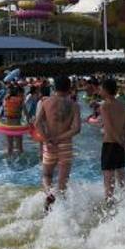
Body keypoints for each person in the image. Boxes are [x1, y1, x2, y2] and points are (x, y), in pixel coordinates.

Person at [35, 75, 81, 210]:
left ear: (54, 87)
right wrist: (60, 138)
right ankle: (62, 211)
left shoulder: (46, 102)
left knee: (47, 175)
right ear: (69, 88)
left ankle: (49, 195)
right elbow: (76, 129)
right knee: (63, 181)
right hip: (65, 145)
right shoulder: (74, 105)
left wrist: (46, 140)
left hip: (49, 145)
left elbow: (37, 123)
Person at [100, 78, 125, 203]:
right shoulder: (121, 104)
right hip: (120, 145)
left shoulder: (105, 106)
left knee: (109, 178)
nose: (100, 90)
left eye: (101, 88)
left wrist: (122, 143)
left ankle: (109, 204)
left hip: (110, 144)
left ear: (106, 90)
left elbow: (109, 128)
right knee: (122, 176)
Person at [1, 85, 28, 156]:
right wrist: (29, 123)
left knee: (9, 147)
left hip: (8, 125)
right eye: (22, 93)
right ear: (18, 93)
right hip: (17, 126)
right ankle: (20, 160)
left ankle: (8, 160)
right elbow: (26, 113)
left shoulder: (7, 99)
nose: (23, 95)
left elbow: (2, 112)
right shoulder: (20, 100)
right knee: (20, 147)